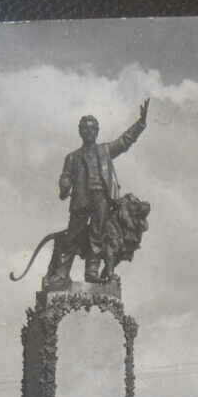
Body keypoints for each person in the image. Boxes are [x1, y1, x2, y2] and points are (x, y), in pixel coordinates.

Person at [46, 99, 149, 286]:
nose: (89, 132)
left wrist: (140, 124)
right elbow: (66, 175)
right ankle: (62, 273)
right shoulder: (72, 157)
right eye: (85, 129)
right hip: (80, 200)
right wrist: (64, 185)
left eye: (92, 129)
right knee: (72, 235)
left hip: (102, 198)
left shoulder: (105, 151)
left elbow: (125, 141)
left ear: (97, 131)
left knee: (98, 234)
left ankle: (92, 271)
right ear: (80, 132)